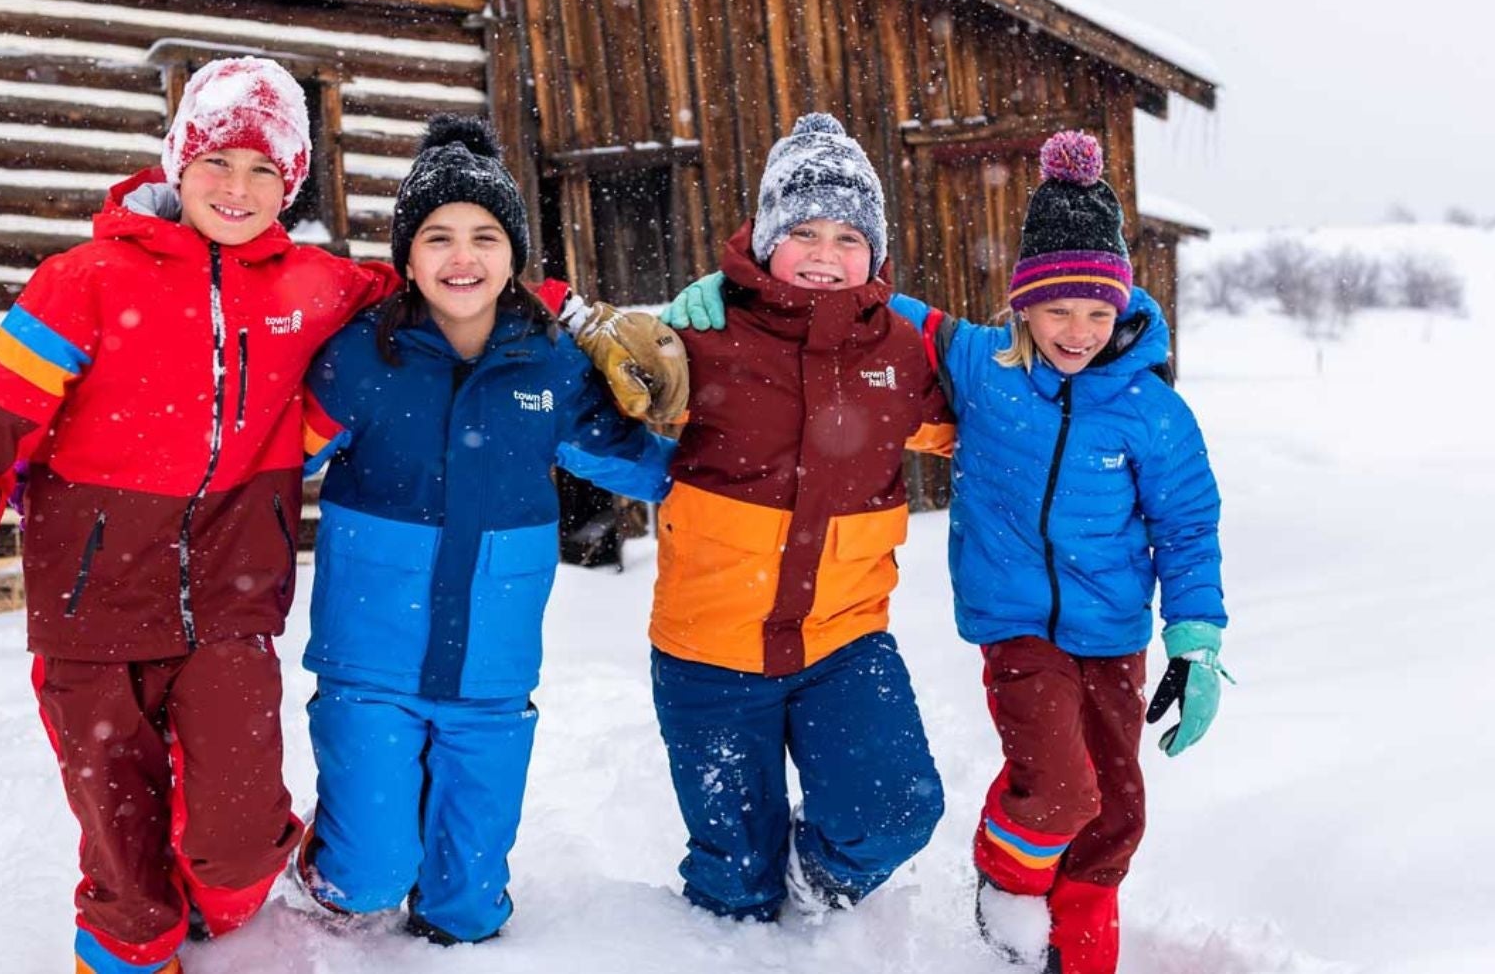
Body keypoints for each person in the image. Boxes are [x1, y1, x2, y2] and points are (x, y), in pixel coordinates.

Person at [0, 57, 683, 974]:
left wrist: (580, 319)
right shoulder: (83, 283)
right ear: (178, 161)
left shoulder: (316, 287)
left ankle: (223, 899)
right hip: (90, 609)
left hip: (231, 604)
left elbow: (450, 278)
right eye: (218, 162)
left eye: (264, 169)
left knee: (236, 849)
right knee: (121, 842)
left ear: (291, 182)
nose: (237, 188)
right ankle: (126, 947)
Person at [666, 130, 1228, 974]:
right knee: (1061, 793)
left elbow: (1188, 526)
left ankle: (1079, 958)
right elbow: (858, 308)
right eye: (1057, 308)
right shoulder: (978, 360)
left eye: (1098, 311)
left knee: (1116, 813)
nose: (1077, 330)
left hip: (1115, 633)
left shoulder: (1151, 410)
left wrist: (1196, 637)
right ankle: (1006, 885)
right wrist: (727, 290)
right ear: (1022, 304)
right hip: (1016, 626)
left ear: (1125, 309)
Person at [291, 115, 682, 945]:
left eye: (484, 235)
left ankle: (443, 879)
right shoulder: (362, 357)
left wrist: (719, 449)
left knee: (465, 910)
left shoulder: (551, 362)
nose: (461, 257)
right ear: (406, 255)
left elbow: (641, 462)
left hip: (491, 673)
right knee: (366, 880)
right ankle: (337, 859)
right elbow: (268, 464)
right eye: (437, 236)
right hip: (371, 663)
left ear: (514, 256)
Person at [649, 112, 955, 924]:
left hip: (843, 641)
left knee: (898, 808)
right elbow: (602, 403)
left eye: (849, 237)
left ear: (877, 254)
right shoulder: (697, 336)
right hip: (708, 650)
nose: (825, 255)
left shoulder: (898, 351)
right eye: (805, 231)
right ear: (764, 237)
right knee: (731, 885)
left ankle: (814, 891)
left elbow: (990, 413)